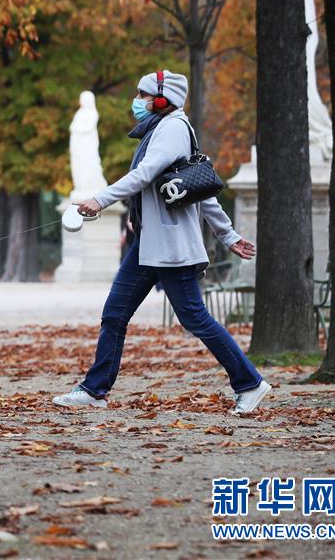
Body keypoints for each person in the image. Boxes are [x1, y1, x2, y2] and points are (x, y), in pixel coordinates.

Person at [53, 69, 270, 415]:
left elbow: (146, 175)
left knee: (195, 318)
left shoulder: (172, 129)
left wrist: (100, 200)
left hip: (170, 248)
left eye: (142, 95)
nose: (136, 101)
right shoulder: (158, 129)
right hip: (148, 244)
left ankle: (250, 383)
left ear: (161, 99)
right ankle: (95, 390)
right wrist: (226, 234)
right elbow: (199, 187)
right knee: (115, 314)